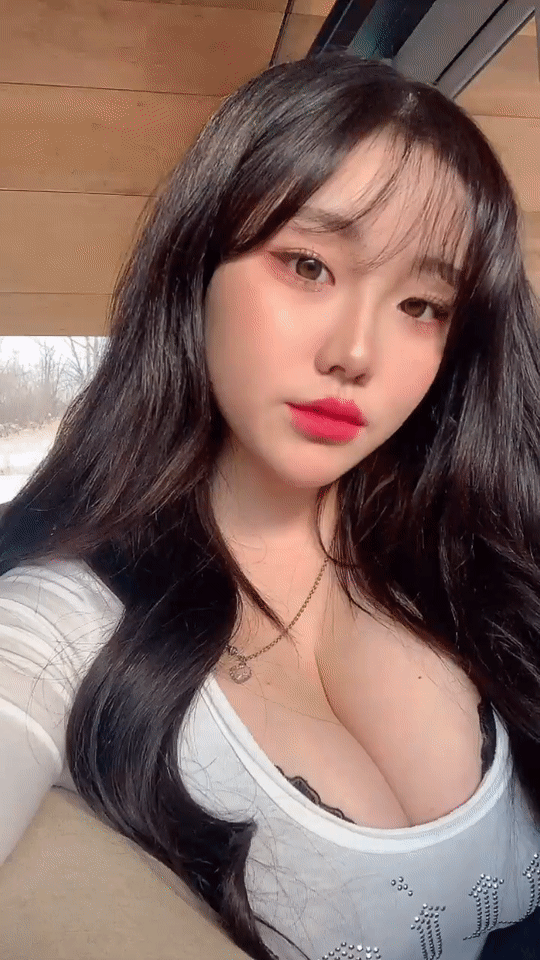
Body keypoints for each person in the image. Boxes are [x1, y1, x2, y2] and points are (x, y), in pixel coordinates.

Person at [0, 49, 539, 960]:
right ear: (197, 264)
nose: (355, 352)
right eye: (309, 265)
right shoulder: (66, 627)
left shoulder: (486, 557)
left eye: (421, 304)